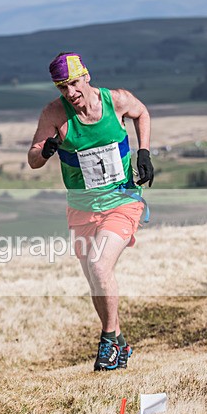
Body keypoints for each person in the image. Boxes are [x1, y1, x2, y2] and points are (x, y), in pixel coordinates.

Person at [27, 52, 154, 371]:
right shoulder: (54, 114)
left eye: (72, 83)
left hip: (122, 200)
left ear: (86, 77)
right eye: (61, 87)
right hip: (82, 208)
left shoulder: (117, 101)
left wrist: (144, 153)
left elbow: (142, 113)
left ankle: (108, 342)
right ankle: (121, 344)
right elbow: (33, 159)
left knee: (99, 266)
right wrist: (46, 151)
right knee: (96, 280)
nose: (70, 92)